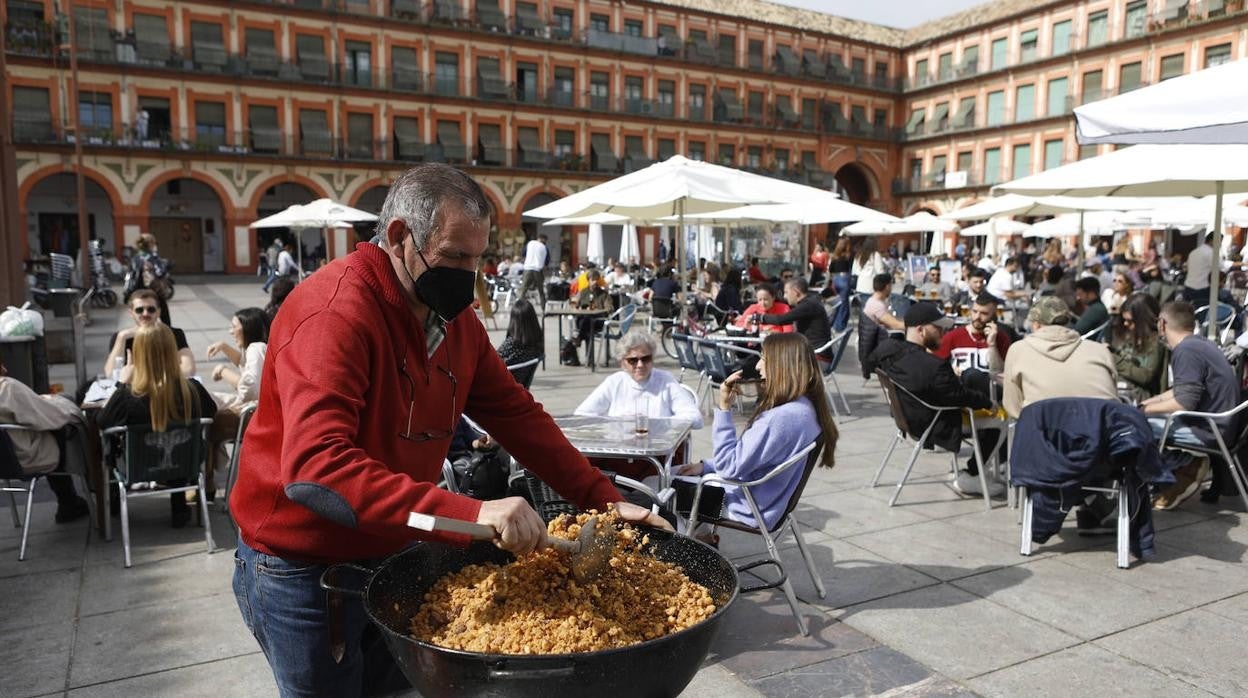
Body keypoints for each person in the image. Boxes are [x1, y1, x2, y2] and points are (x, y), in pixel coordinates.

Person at [229, 164, 667, 696]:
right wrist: (472, 513)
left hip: (393, 547)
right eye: (456, 257)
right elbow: (317, 472)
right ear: (399, 238)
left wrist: (601, 497)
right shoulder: (334, 313)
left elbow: (517, 415)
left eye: (478, 259)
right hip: (304, 571)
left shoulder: (454, 320)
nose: (470, 276)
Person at [674, 332, 838, 530]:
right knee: (682, 478)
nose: (758, 366)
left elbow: (728, 468)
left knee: (659, 486)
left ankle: (689, 555)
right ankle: (704, 540)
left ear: (782, 366)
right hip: (769, 503)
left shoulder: (778, 420)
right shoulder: (806, 407)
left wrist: (724, 408)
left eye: (764, 359)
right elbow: (751, 458)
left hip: (747, 507)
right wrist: (706, 466)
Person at [866, 303, 1002, 497]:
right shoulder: (934, 367)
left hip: (905, 418)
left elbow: (871, 362)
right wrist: (988, 403)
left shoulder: (888, 349)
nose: (943, 332)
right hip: (934, 425)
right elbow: (960, 395)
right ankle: (973, 474)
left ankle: (976, 472)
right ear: (921, 330)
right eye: (938, 328)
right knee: (999, 422)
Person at [98, 324, 218, 528]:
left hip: (136, 465)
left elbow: (102, 422)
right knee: (179, 441)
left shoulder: (128, 397)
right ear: (173, 351)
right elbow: (212, 411)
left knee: (110, 444)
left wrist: (121, 384)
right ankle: (179, 505)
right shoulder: (193, 390)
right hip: (185, 464)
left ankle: (114, 506)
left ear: (137, 354)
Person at [1142, 301, 1240, 509]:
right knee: (1142, 416)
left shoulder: (1186, 351)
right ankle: (1181, 469)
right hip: (1222, 425)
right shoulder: (1200, 343)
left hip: (1208, 430)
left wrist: (1143, 411)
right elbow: (1182, 389)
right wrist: (1152, 401)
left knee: (1135, 425)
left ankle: (1186, 464)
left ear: (1162, 323)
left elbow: (1184, 401)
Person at [0, 360, 90, 522]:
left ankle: (68, 501)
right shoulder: (7, 387)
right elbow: (52, 417)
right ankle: (70, 500)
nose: (5, 369)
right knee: (65, 426)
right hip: (24, 458)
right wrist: (57, 402)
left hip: (5, 461)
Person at [1002, 297, 1118, 418]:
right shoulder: (1100, 351)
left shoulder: (1018, 350)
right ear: (1067, 323)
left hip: (1043, 430)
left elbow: (1013, 408)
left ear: (1035, 325)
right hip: (1100, 429)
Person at [574, 330, 703, 430]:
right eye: (633, 360)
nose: (640, 365)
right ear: (622, 363)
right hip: (621, 451)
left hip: (656, 453)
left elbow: (695, 418)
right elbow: (581, 415)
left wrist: (656, 425)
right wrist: (614, 425)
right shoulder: (615, 382)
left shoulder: (666, 381)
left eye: (645, 359)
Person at [205, 307, 269, 498]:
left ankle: (207, 480)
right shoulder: (259, 347)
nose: (231, 331)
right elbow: (247, 364)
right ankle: (211, 476)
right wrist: (225, 347)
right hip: (255, 410)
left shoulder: (256, 348)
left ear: (247, 327)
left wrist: (223, 371)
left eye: (234, 327)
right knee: (209, 402)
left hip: (252, 414)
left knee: (207, 418)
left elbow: (250, 390)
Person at [103, 290, 196, 379]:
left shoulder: (174, 334)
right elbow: (110, 373)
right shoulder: (121, 337)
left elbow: (188, 369)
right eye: (139, 310)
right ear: (131, 313)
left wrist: (144, 378)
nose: (145, 313)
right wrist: (121, 338)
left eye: (151, 309)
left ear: (158, 312)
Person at [758, 277, 833, 363]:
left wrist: (759, 317)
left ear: (796, 292)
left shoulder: (808, 306)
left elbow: (782, 320)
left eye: (786, 292)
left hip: (815, 358)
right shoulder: (810, 302)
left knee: (770, 361)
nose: (785, 296)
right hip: (813, 353)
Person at [1110, 293, 1168, 399]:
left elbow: (1145, 376)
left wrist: (1114, 359)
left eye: (1130, 321)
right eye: (1124, 320)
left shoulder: (1156, 342)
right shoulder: (1129, 335)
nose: (1125, 324)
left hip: (1144, 398)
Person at [935, 294, 1010, 374]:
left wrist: (992, 345)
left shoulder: (1001, 338)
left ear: (993, 316)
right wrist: (950, 371)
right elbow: (935, 366)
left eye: (984, 313)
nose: (977, 317)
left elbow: (1000, 372)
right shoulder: (953, 336)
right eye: (975, 311)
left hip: (988, 384)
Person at [496, 299, 543, 366]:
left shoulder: (512, 345)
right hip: (523, 375)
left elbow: (493, 360)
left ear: (514, 322)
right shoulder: (538, 342)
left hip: (505, 374)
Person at [828, 238, 853, 330]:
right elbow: (851, 268)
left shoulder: (834, 257)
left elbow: (831, 270)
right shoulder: (848, 256)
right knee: (844, 303)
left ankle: (834, 322)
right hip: (844, 278)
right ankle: (839, 325)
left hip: (836, 279)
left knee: (837, 302)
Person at [518, 233, 549, 306]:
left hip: (527, 268)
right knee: (541, 291)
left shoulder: (530, 243)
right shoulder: (544, 247)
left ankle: (519, 307)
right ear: (544, 240)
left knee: (523, 290)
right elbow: (547, 261)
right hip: (538, 270)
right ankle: (543, 308)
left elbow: (523, 253)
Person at [1183, 231, 1214, 303]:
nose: (1220, 245)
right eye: (1220, 242)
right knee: (1201, 312)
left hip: (1188, 286)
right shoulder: (1211, 253)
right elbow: (1219, 267)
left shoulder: (1194, 252)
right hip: (1201, 288)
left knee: (1188, 312)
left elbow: (1187, 267)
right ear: (1212, 241)